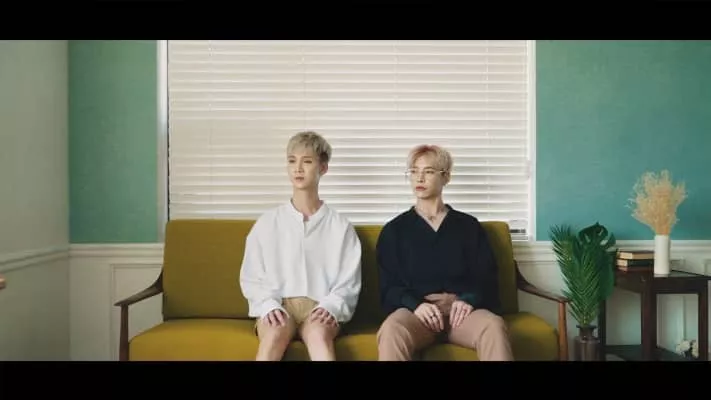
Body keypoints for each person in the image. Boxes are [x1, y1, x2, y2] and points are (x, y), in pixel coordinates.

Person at [375, 144, 514, 361]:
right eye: (414, 171)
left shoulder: (469, 226)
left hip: (462, 314)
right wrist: (416, 305)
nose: (419, 178)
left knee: (493, 326)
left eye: (429, 171)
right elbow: (389, 287)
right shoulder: (394, 230)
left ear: (446, 177)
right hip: (417, 315)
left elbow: (486, 277)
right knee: (392, 329)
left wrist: (467, 300)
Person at [239, 131, 362, 361]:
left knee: (318, 337)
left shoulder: (340, 227)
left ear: (323, 168)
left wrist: (331, 307)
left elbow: (349, 281)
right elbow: (251, 276)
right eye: (292, 161)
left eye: (307, 161)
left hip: (320, 306)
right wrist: (267, 305)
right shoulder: (267, 222)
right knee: (274, 335)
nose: (298, 168)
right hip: (278, 305)